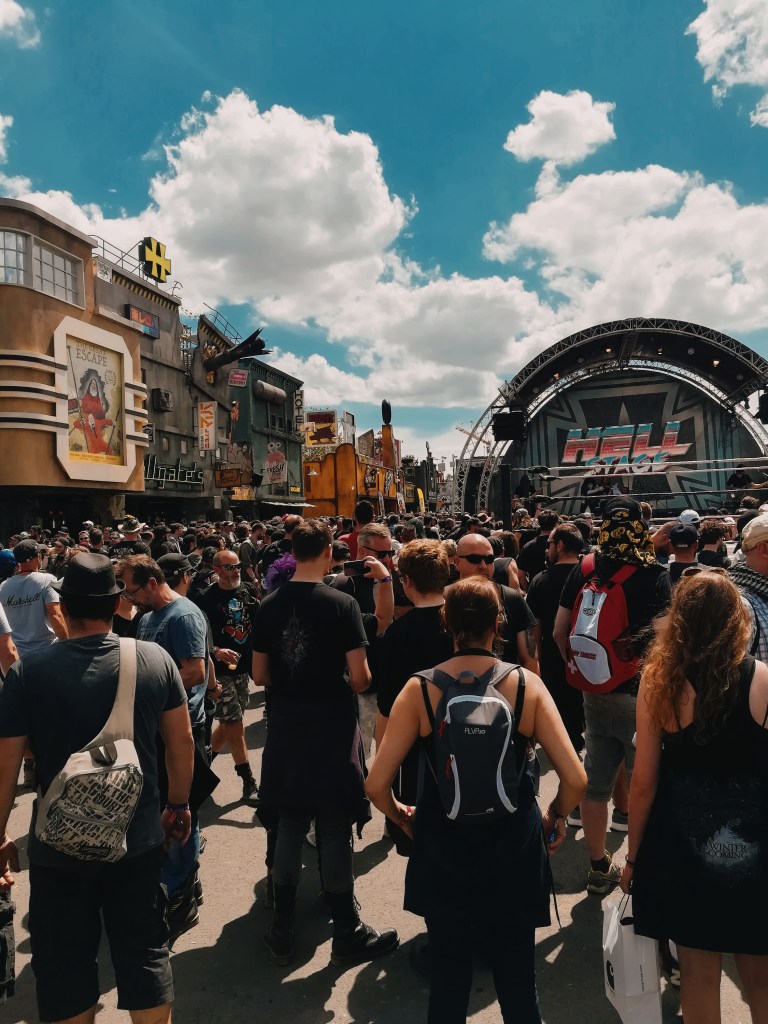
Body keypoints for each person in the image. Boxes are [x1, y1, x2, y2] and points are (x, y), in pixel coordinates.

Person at [366, 577, 586, 1024]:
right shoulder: (526, 686)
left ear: (447, 622)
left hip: (443, 841)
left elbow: (375, 784)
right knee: (518, 981)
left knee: (448, 978)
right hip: (514, 842)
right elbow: (576, 778)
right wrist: (556, 815)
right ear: (499, 623)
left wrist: (402, 816)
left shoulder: (420, 689)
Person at [0, 552, 194, 1024]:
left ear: (63, 608)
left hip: (57, 847)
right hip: (138, 839)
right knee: (145, 952)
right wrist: (177, 804)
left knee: (65, 964)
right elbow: (181, 743)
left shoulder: (29, 673)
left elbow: (5, 767)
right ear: (116, 605)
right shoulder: (153, 660)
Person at [621, 571, 768, 1023]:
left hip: (681, 844)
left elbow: (642, 782)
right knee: (762, 976)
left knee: (698, 975)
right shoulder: (763, 678)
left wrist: (631, 858)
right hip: (756, 844)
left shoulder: (659, 682)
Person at [251, 519, 398, 967]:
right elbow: (360, 679)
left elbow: (259, 676)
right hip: (332, 722)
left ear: (293, 552)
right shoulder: (341, 605)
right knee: (333, 822)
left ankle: (282, 923)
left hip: (288, 723)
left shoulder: (269, 604)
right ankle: (346, 927)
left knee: (292, 818)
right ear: (331, 553)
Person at [553, 497, 671, 893]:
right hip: (639, 694)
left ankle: (598, 866)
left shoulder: (586, 567)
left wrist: (584, 669)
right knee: (644, 782)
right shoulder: (653, 573)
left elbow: (558, 631)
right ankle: (642, 865)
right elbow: (665, 640)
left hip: (594, 691)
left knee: (595, 782)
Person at [195, 548, 260, 803]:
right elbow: (199, 638)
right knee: (234, 724)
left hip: (242, 669)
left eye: (238, 566)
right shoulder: (204, 599)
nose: (236, 571)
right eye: (230, 567)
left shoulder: (247, 592)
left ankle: (203, 761)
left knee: (230, 721)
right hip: (218, 671)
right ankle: (248, 781)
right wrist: (217, 651)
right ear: (217, 570)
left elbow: (259, 624)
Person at [525, 522, 585, 753]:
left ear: (560, 545)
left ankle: (564, 745)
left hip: (551, 655)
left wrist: (534, 659)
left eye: (549, 543)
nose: (546, 549)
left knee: (558, 703)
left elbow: (534, 627)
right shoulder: (590, 575)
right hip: (587, 655)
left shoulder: (541, 580)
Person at [453, 532, 538, 672]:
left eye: (489, 559)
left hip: (504, 688)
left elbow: (531, 659)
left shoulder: (512, 599)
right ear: (457, 562)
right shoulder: (445, 599)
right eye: (474, 559)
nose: (483, 565)